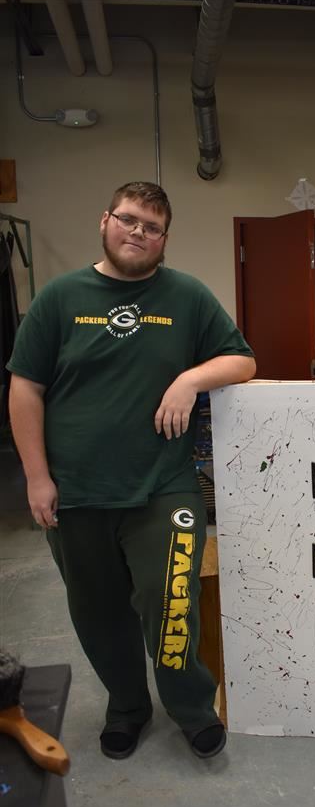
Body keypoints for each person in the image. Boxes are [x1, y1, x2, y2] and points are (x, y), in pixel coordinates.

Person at [7, 181, 256, 760]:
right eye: (129, 220)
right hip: (77, 490)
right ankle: (126, 706)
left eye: (151, 226)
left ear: (164, 239)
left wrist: (190, 379)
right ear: (105, 221)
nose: (138, 232)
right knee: (97, 611)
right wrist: (38, 477)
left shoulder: (187, 296)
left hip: (161, 487)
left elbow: (242, 359)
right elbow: (25, 389)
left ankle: (191, 706)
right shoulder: (60, 297)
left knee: (170, 601)